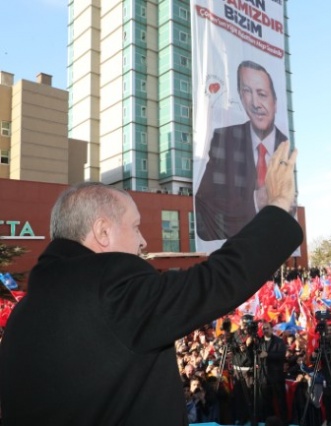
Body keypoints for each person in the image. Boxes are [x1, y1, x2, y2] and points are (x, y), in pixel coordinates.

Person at [0, 141, 302, 425]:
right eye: (135, 226)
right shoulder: (112, 294)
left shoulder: (22, 315)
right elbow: (216, 281)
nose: (143, 241)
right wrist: (277, 205)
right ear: (103, 232)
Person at [195, 60, 289, 241]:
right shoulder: (224, 140)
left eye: (262, 94)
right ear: (240, 96)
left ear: (275, 102)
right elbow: (204, 207)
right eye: (247, 92)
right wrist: (255, 201)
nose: (255, 103)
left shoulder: (285, 146)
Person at [258, 321, 288, 422]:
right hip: (264, 376)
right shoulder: (259, 341)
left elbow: (281, 355)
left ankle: (283, 421)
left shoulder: (279, 341)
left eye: (267, 328)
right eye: (264, 329)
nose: (265, 330)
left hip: (277, 376)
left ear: (271, 329)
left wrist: (268, 355)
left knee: (280, 400)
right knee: (266, 401)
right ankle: (268, 421)